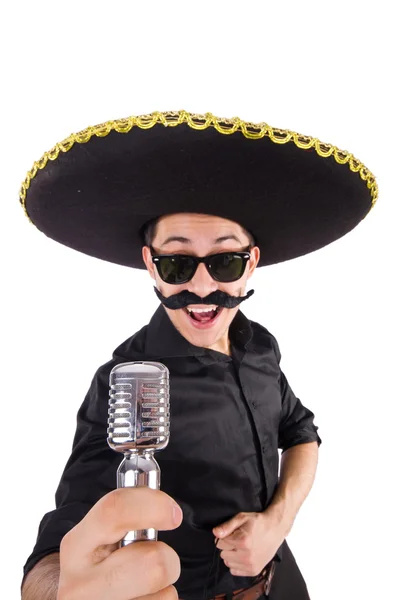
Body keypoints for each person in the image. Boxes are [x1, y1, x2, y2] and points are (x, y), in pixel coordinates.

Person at [19, 110, 377, 600]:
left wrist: (276, 523)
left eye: (225, 261)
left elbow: (301, 433)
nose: (202, 287)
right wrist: (59, 589)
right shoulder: (126, 381)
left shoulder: (261, 346)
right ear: (151, 264)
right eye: (178, 262)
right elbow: (63, 541)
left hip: (286, 585)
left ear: (251, 263)